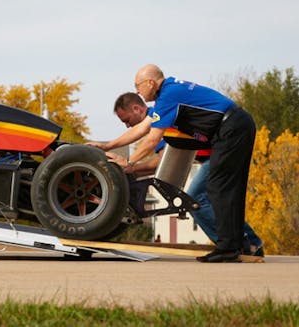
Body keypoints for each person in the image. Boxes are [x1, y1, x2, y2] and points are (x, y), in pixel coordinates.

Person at [104, 64, 256, 263]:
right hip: (234, 128)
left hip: (231, 129)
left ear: (150, 82)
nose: (137, 91)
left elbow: (151, 138)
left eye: (137, 86)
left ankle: (229, 248)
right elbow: (142, 129)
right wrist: (107, 145)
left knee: (219, 189)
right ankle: (238, 245)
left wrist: (130, 162)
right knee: (225, 189)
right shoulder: (167, 94)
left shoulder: (169, 95)